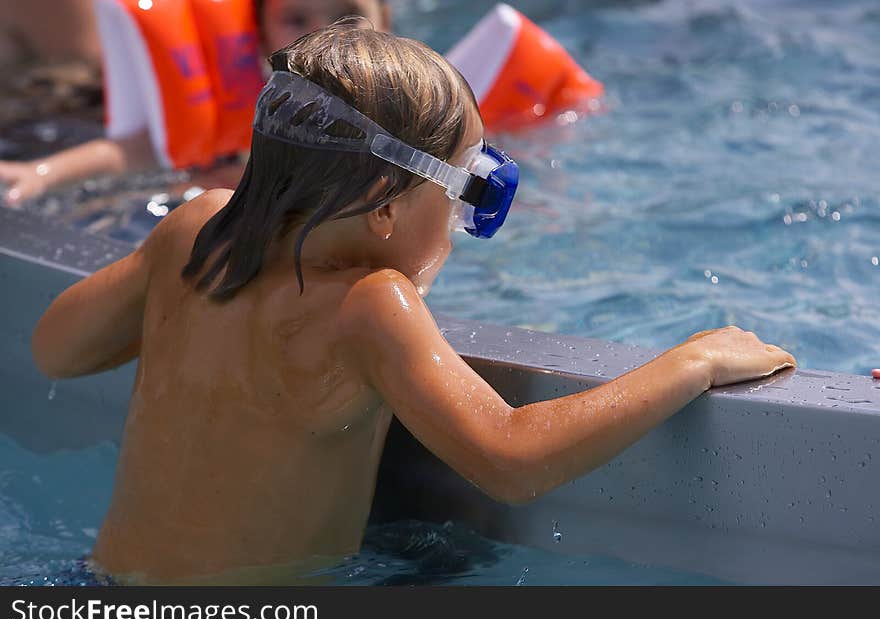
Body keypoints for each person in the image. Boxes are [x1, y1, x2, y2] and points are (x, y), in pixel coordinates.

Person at [31, 22, 796, 585]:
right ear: (384, 204)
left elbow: (54, 349)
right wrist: (692, 360)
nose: (460, 228)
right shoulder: (371, 307)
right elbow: (510, 457)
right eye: (464, 196)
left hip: (100, 591)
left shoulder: (197, 230)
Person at [0, 0, 391, 206]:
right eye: (295, 18)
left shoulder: (397, 96)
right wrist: (44, 173)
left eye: (348, 14)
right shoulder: (249, 90)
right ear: (260, 30)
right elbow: (145, 148)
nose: (324, 33)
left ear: (384, 20)